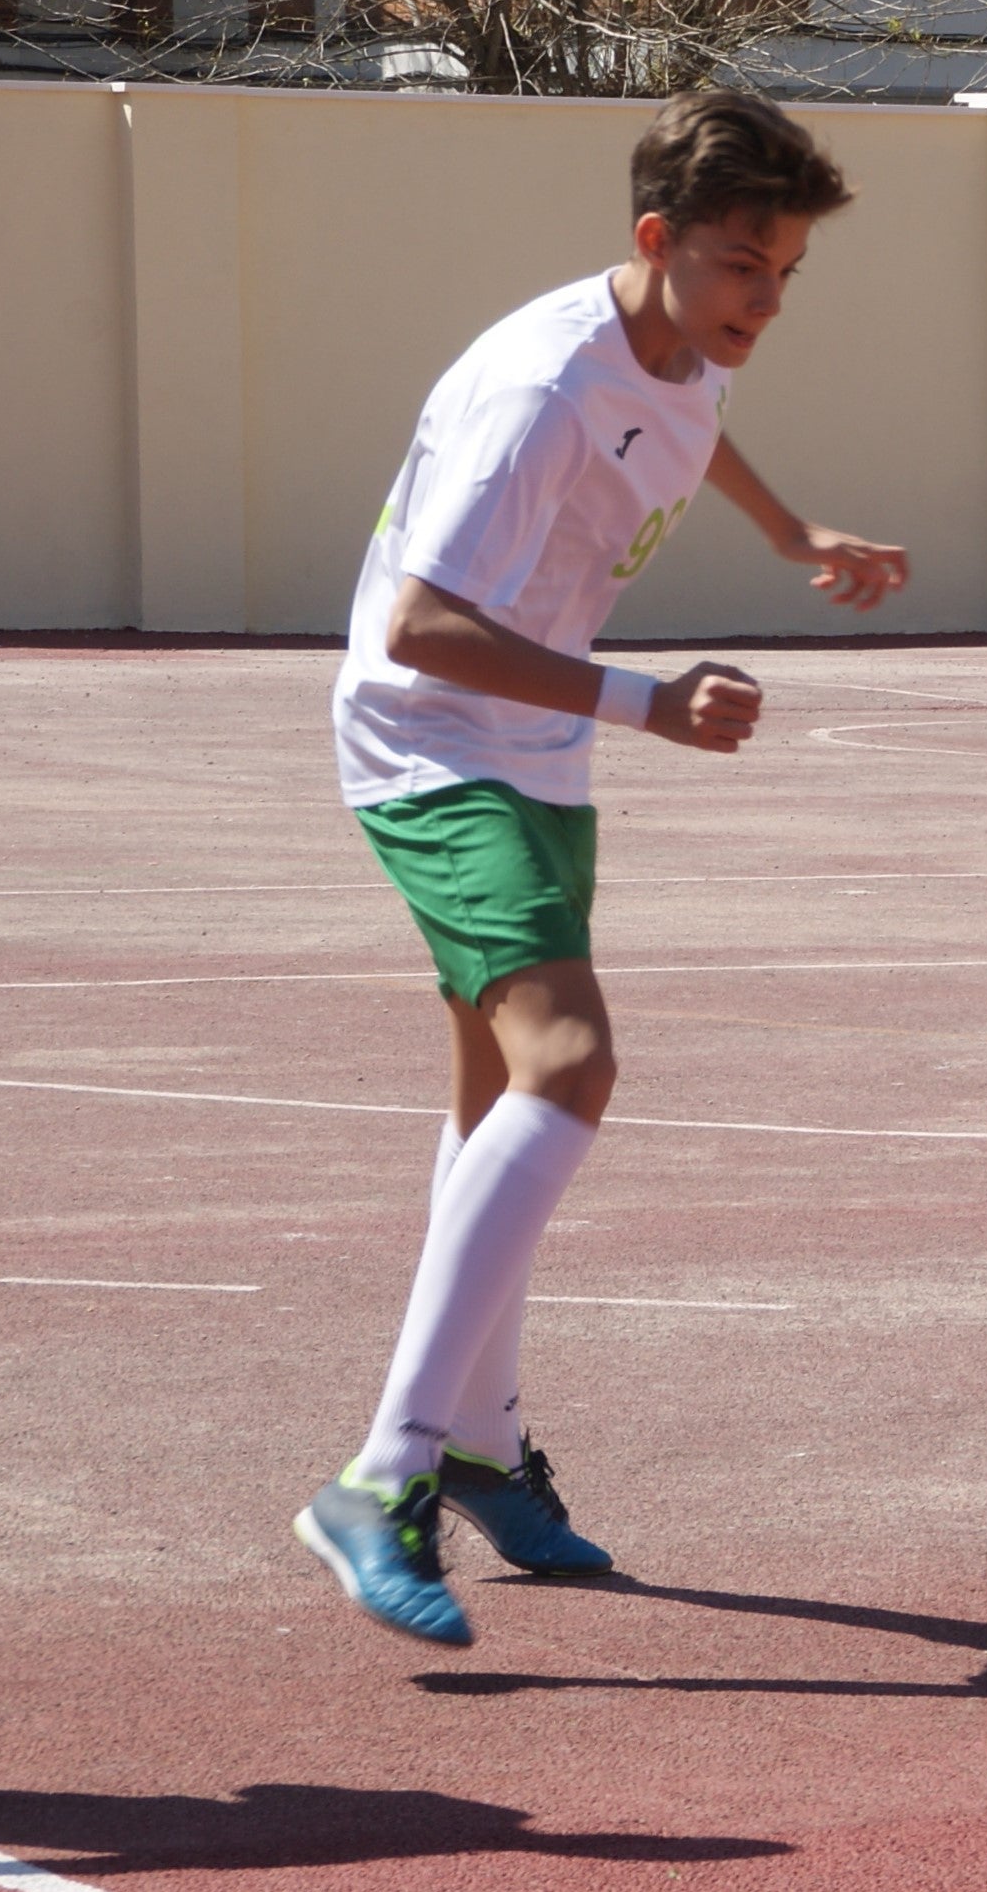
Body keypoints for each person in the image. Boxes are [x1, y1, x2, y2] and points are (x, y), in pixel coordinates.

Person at [293, 89, 908, 1646]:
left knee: (491, 1099)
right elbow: (417, 623)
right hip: (434, 742)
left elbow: (690, 431)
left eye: (783, 276)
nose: (762, 303)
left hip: (527, 748)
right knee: (568, 1063)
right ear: (655, 241)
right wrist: (646, 701)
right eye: (741, 269)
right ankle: (383, 1474)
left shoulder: (674, 345)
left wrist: (791, 530)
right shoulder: (535, 391)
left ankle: (485, 1439)